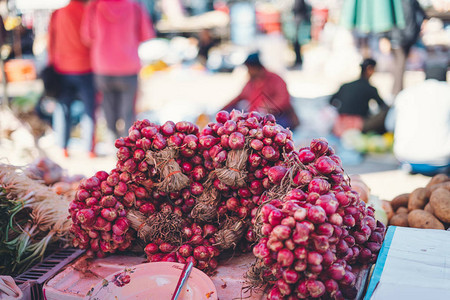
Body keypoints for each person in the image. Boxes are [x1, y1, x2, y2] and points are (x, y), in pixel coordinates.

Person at [81, 0, 154, 140]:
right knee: (128, 112)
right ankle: (129, 145)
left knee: (108, 108)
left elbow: (87, 36)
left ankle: (113, 142)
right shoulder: (134, 6)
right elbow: (146, 35)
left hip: (103, 66)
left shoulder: (95, 6)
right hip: (128, 66)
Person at [48, 0, 96, 158]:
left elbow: (51, 41)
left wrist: (52, 62)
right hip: (86, 67)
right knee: (89, 109)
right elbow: (93, 39)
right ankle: (89, 149)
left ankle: (63, 147)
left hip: (62, 67)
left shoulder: (58, 13)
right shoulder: (88, 12)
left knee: (63, 108)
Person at [391, 56, 450, 175]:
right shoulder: (447, 91)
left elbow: (389, 124)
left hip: (407, 159)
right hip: (442, 161)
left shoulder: (406, 94)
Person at [222, 53, 300, 130]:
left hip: (277, 117)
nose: (248, 71)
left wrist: (269, 107)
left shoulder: (275, 79)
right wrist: (222, 110)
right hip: (256, 121)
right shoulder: (250, 83)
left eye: (249, 69)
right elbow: (238, 97)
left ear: (256, 67)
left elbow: (284, 98)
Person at [329, 58, 388, 136]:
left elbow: (331, 101)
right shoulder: (370, 88)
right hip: (358, 125)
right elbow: (383, 106)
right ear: (369, 69)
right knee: (386, 112)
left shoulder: (346, 85)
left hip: (339, 125)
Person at [389, 0, 426, 96]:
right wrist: (384, 36)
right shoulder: (394, 2)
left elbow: (420, 11)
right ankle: (396, 92)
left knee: (401, 65)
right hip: (397, 36)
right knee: (399, 64)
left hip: (408, 36)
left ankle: (397, 91)